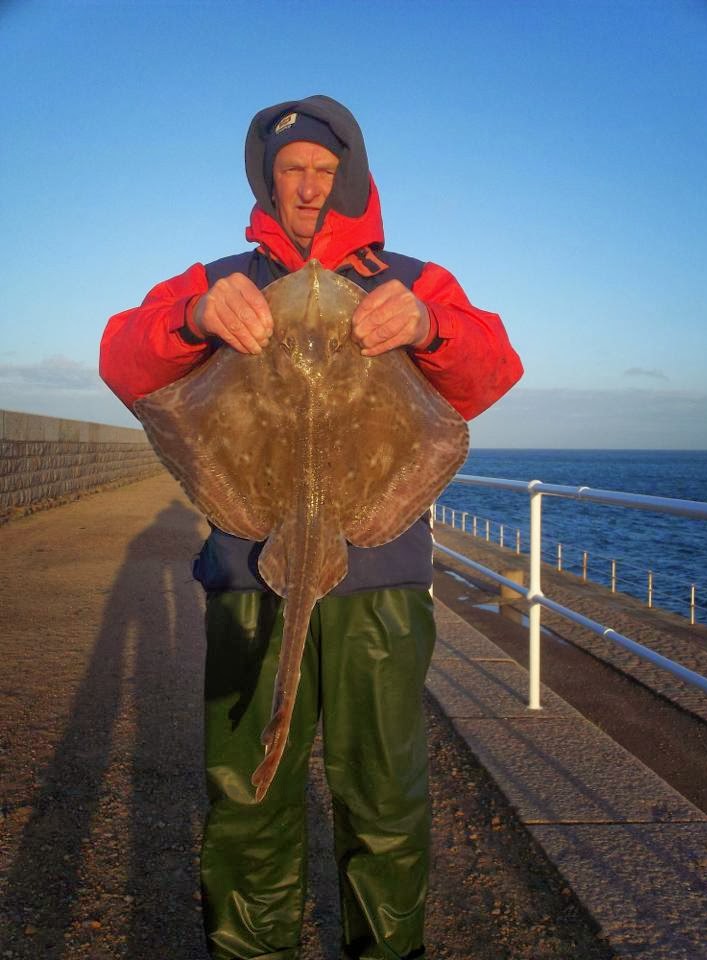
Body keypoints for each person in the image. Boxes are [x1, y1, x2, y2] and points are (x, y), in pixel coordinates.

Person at [100, 95, 523, 960]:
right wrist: (193, 318)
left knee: (385, 797)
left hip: (381, 579)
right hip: (248, 574)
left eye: (324, 170)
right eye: (290, 170)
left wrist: (427, 325)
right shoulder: (223, 279)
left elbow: (493, 370)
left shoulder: (411, 279)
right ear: (267, 182)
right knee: (247, 797)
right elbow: (121, 358)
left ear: (351, 177)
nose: (307, 186)